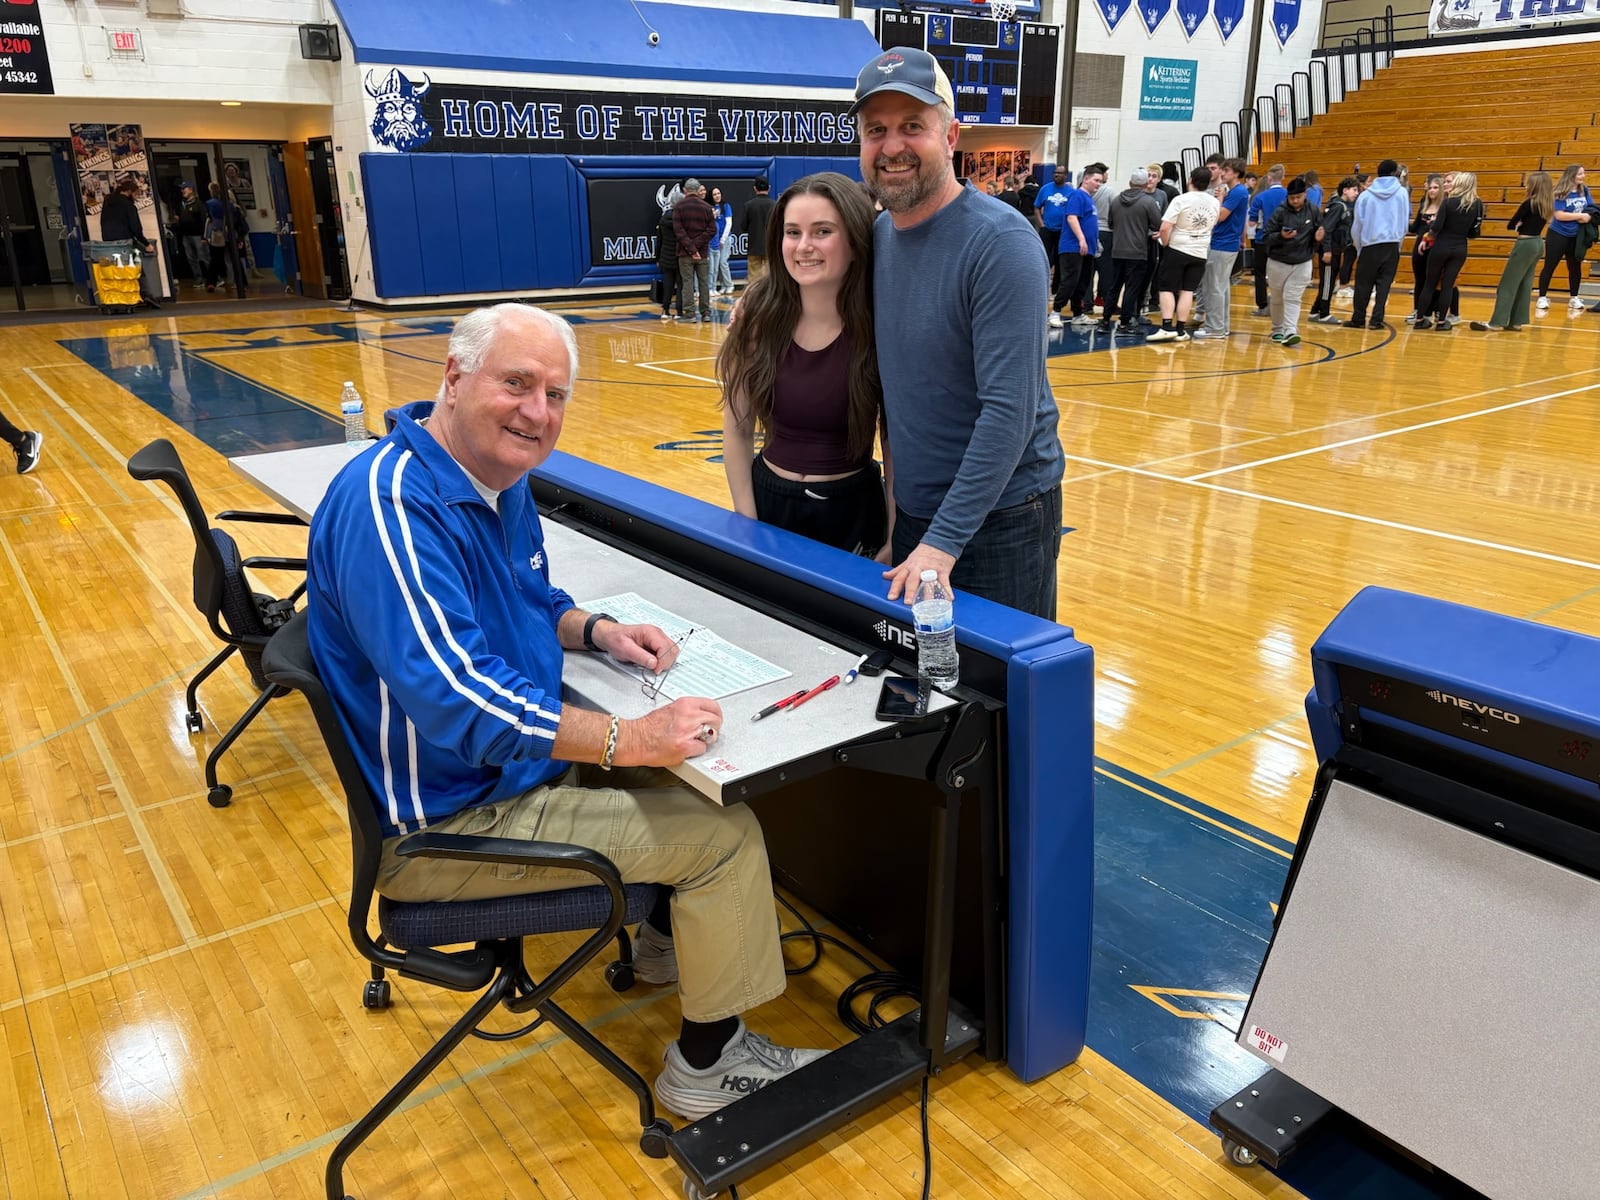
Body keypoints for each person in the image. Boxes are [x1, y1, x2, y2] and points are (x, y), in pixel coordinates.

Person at [306, 303, 825, 1122]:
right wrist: (628, 737)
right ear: (453, 376)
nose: (536, 412)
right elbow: (461, 702)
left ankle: (667, 951)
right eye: (516, 383)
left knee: (696, 790)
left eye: (555, 394)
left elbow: (523, 594)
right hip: (447, 830)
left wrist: (596, 630)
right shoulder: (393, 507)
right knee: (727, 837)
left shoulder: (489, 478)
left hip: (492, 786)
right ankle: (707, 1064)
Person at [851, 46, 1064, 618]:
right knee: (930, 689)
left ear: (950, 137)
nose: (892, 146)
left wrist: (942, 543)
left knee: (999, 696)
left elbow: (1008, 413)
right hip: (920, 512)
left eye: (912, 127)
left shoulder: (1000, 242)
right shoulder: (881, 237)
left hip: (1002, 517)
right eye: (877, 130)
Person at [718, 173, 890, 557]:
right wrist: (746, 521)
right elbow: (737, 428)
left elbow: (895, 448)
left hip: (852, 512)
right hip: (769, 504)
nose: (804, 246)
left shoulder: (881, 324)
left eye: (822, 231)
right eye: (792, 232)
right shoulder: (757, 318)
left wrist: (895, 535)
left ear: (855, 239)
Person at [1471, 171, 1552, 333]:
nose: (1526, 185)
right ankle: (1516, 322)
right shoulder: (1547, 204)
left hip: (1525, 244)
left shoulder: (1529, 203)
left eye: (1529, 183)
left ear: (1534, 186)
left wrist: (1519, 225)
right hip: (1538, 243)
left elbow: (1512, 224)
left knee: (1507, 284)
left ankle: (1496, 322)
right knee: (1524, 284)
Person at [1148, 165, 1219, 343]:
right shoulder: (1215, 202)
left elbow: (1165, 227)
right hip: (1200, 251)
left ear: (1190, 180)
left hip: (1178, 248)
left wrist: (1166, 243)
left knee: (1165, 287)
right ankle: (1180, 329)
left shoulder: (1181, 199)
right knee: (1187, 290)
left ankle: (1166, 327)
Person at [1413, 173, 1484, 332]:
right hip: (1460, 248)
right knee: (1448, 286)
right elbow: (1474, 232)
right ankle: (1442, 322)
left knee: (1429, 284)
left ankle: (1420, 319)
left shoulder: (1448, 202)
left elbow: (1436, 228)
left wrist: (1425, 240)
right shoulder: (1477, 204)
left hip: (1441, 246)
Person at [1097, 169, 1162, 338]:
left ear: (1130, 182)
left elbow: (1111, 223)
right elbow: (1157, 225)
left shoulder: (1117, 200)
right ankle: (1125, 324)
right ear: (1144, 184)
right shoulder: (1147, 202)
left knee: (1114, 288)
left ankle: (1104, 322)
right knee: (1131, 289)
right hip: (1138, 251)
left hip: (1117, 250)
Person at [1346, 159, 1410, 330]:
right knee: (1384, 284)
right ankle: (1377, 320)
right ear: (1394, 173)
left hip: (1370, 244)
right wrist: (1398, 243)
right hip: (1392, 244)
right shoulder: (1402, 193)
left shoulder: (1366, 195)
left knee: (1363, 283)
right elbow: (1405, 223)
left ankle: (1358, 318)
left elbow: (1357, 225)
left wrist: (1360, 247)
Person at [1261, 176, 1321, 347]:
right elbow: (1266, 236)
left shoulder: (1313, 211)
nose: (1295, 201)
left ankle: (1290, 331)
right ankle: (1277, 329)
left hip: (1303, 262)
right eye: (1291, 197)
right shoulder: (1280, 212)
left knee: (1293, 298)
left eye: (1298, 197)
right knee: (1277, 297)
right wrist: (1281, 236)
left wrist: (1319, 239)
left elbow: (1320, 231)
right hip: (1278, 261)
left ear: (1305, 194)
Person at [1196, 157, 1249, 342]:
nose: (1222, 173)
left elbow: (1219, 216)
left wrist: (1219, 199)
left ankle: (1214, 327)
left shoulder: (1238, 192)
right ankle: (1222, 326)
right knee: (1221, 287)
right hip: (1225, 243)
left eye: (1226, 171)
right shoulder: (1235, 191)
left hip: (1223, 244)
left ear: (1235, 173)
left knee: (1214, 287)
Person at [1048, 166, 1104, 329]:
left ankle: (1078, 313)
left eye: (1100, 181)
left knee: (1083, 282)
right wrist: (1081, 239)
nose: (1098, 184)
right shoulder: (1077, 195)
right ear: (1085, 179)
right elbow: (1072, 218)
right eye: (1096, 180)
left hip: (1087, 250)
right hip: (1073, 247)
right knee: (1070, 281)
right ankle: (1055, 312)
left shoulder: (1089, 199)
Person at [1535, 165, 1593, 313]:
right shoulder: (1560, 193)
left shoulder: (1584, 190)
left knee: (1575, 266)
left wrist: (1589, 216)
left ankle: (1574, 297)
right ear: (1572, 175)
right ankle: (1542, 297)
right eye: (1580, 173)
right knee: (1550, 265)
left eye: (1583, 173)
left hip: (1576, 236)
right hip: (1558, 234)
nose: (1583, 176)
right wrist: (1580, 216)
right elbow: (1559, 215)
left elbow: (1592, 208)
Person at [99, 176, 161, 308]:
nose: (136, 197)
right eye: (135, 194)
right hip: (126, 242)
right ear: (129, 192)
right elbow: (136, 228)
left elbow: (103, 223)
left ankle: (121, 297)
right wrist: (146, 244)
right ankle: (146, 295)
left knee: (117, 270)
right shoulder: (128, 205)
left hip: (109, 243)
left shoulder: (108, 203)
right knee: (136, 267)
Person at [1308, 177, 1358, 324]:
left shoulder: (1346, 207)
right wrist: (1327, 251)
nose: (1356, 193)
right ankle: (1324, 313)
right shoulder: (1338, 207)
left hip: (1337, 250)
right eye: (1354, 190)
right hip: (1329, 251)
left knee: (1329, 281)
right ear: (1345, 190)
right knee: (1328, 283)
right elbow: (1326, 230)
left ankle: (1314, 311)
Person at [673, 179, 715, 323]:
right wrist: (697, 247)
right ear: (698, 190)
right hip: (702, 252)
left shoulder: (679, 207)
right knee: (704, 282)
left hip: (684, 253)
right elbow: (712, 230)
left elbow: (678, 231)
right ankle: (706, 312)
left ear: (685, 190)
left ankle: (690, 313)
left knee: (687, 282)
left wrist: (691, 248)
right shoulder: (707, 207)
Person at [1406, 174, 1445, 324]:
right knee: (1419, 279)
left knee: (1434, 280)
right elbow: (1416, 227)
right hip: (1420, 246)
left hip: (1435, 246)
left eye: (1435, 188)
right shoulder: (1424, 202)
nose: (1432, 191)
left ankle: (1432, 311)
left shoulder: (1445, 205)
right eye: (1430, 188)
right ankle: (1418, 310)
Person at [1247, 166, 1286, 315]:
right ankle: (1280, 305)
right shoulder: (1288, 195)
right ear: (1282, 177)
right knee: (1282, 273)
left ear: (1269, 178)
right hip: (1283, 239)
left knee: (1260, 273)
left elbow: (1252, 222)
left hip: (1262, 239)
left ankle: (1262, 305)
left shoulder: (1260, 197)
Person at [1033, 164, 1072, 297]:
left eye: (1059, 173)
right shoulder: (1046, 189)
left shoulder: (1070, 191)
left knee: (1060, 260)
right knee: (1044, 259)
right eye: (1055, 172)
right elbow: (1037, 207)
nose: (1056, 175)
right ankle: (1041, 287)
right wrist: (1041, 224)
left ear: (1065, 175)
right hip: (1047, 229)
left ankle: (1055, 290)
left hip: (1063, 231)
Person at [168, 181, 207, 284]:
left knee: (203, 257)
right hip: (186, 235)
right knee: (191, 258)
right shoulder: (182, 204)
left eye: (184, 188)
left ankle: (215, 278)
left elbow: (204, 220)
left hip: (197, 235)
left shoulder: (199, 204)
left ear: (191, 189)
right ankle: (198, 279)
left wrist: (204, 236)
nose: (182, 191)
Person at [741, 176, 775, 282]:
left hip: (754, 247)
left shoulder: (749, 205)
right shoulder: (775, 205)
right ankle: (771, 298)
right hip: (771, 247)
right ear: (769, 188)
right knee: (771, 276)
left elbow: (743, 226)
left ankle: (755, 298)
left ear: (755, 188)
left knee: (754, 279)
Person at [655, 187, 681, 321]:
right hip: (680, 256)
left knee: (668, 285)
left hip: (665, 256)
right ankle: (679, 312)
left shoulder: (663, 219)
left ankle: (665, 310)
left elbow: (659, 241)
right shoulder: (682, 220)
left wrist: (657, 257)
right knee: (681, 285)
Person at [707, 186, 734, 296]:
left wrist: (723, 239)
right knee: (716, 265)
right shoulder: (710, 208)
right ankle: (723, 285)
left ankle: (729, 285)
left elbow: (729, 223)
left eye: (718, 193)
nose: (717, 196)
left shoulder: (726, 206)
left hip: (725, 238)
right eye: (714, 194)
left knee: (723, 262)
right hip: (715, 240)